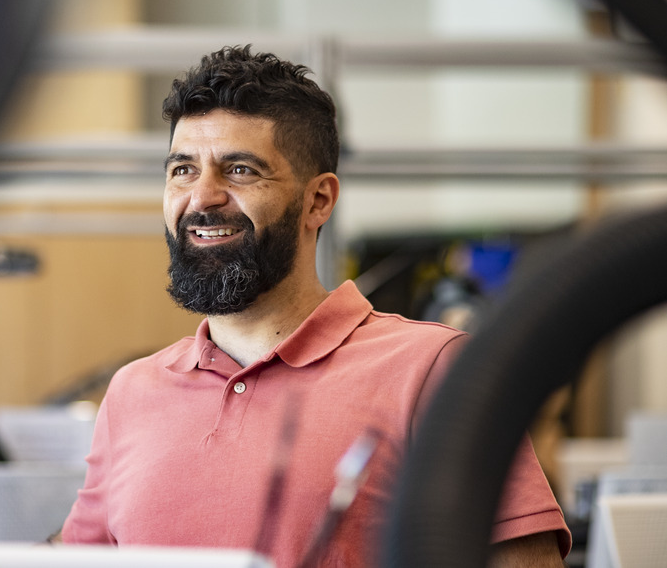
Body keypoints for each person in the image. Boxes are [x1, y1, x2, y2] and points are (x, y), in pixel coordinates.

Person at [60, 46, 569, 567]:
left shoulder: (432, 370)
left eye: (240, 170)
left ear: (318, 200)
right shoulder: (131, 393)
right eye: (183, 170)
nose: (203, 196)